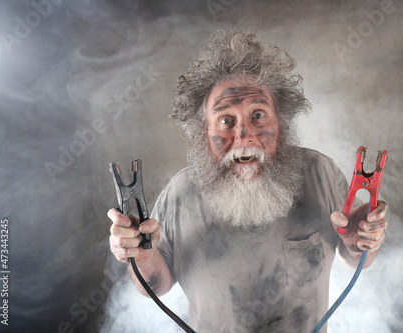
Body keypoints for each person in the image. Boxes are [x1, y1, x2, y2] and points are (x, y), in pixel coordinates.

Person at [108, 30, 387, 332]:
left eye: (257, 115)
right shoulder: (180, 193)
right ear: (203, 131)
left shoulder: (320, 172)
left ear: (281, 121)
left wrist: (361, 243)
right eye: (226, 120)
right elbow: (157, 285)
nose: (243, 136)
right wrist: (142, 256)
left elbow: (355, 256)